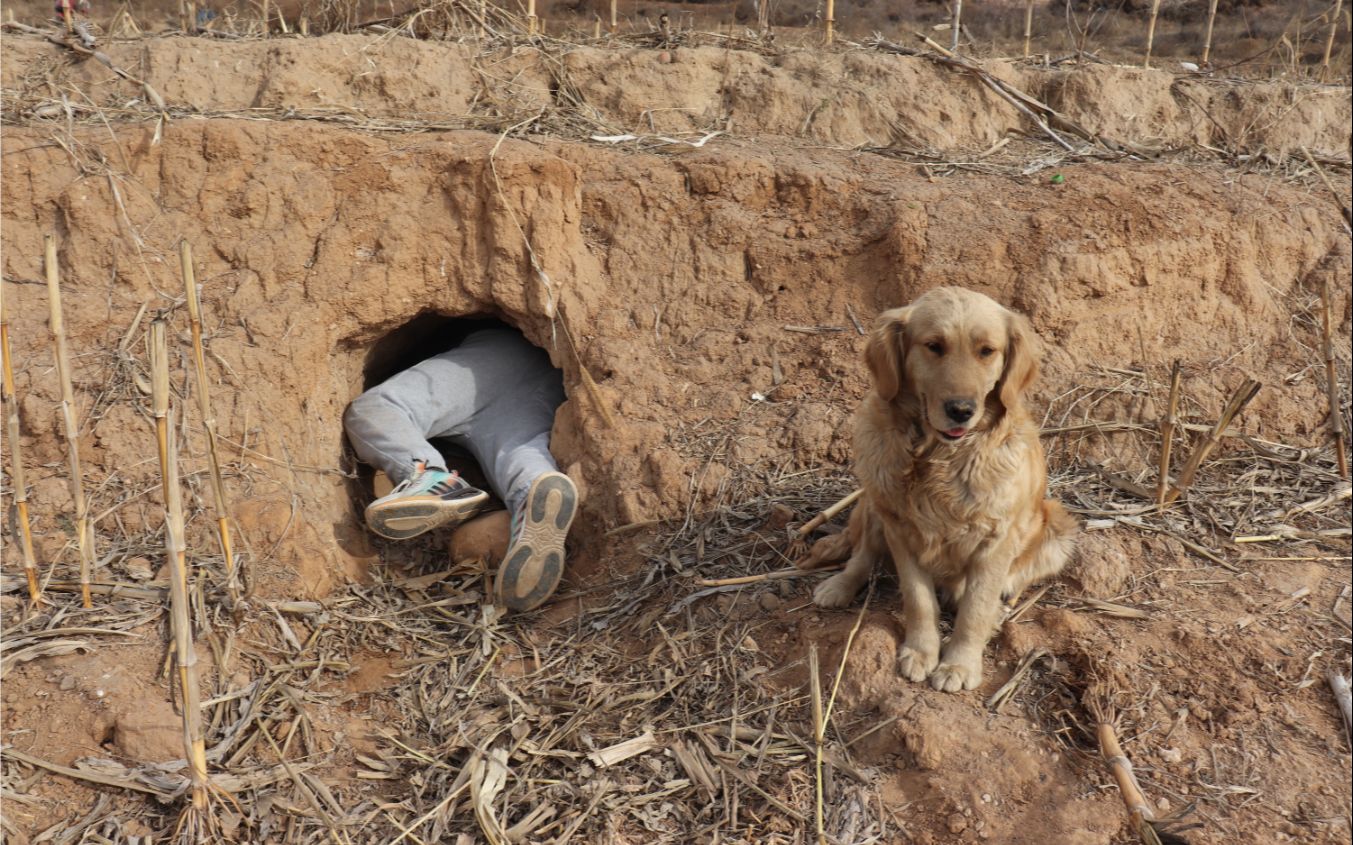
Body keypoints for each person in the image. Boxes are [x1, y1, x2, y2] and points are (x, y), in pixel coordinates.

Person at [343, 327, 576, 612]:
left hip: (496, 359)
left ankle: (430, 478)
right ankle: (533, 495)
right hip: (551, 385)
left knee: (377, 407)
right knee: (518, 453)